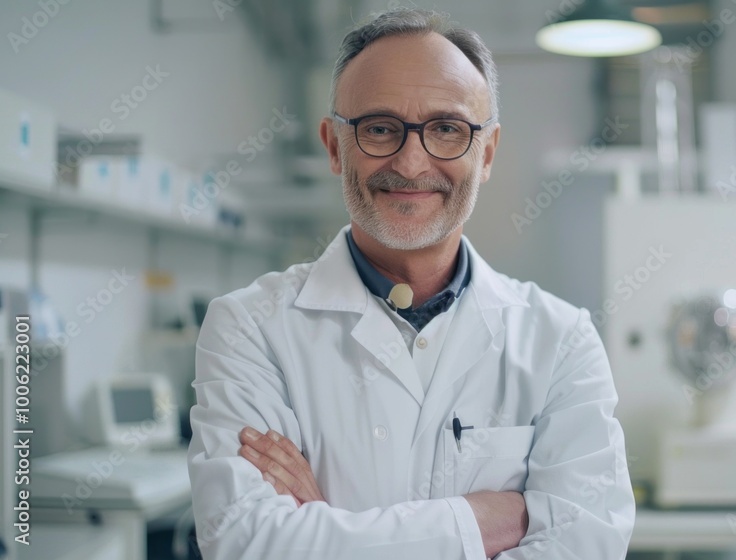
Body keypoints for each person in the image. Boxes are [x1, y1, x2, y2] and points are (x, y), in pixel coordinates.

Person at [187, 8, 634, 559]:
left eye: (447, 129)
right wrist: (482, 519)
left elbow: (588, 544)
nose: (411, 161)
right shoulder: (249, 329)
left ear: (486, 153)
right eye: (379, 128)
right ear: (334, 146)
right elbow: (247, 545)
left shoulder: (561, 339)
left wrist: (326, 527)